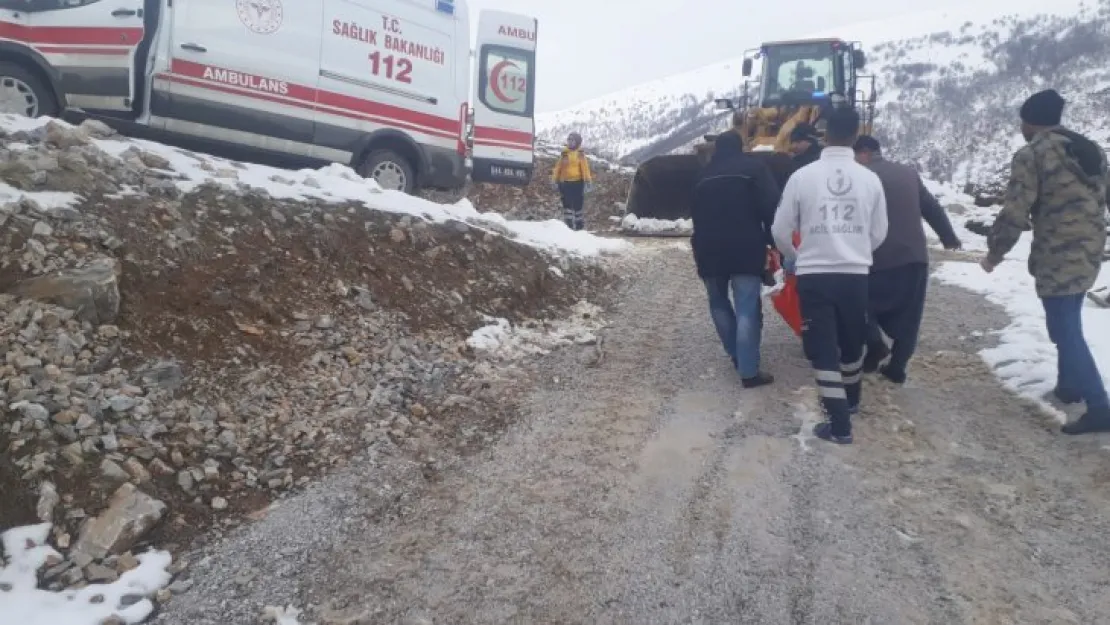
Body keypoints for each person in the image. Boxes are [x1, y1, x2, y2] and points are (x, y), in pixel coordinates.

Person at [980, 89, 1110, 435]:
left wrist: (995, 253)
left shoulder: (1032, 154)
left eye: (1023, 120)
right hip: (1090, 250)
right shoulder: (1090, 149)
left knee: (1066, 329)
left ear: (1030, 121)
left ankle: (1100, 407)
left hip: (1058, 252)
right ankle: (1069, 386)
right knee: (1064, 321)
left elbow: (1015, 211)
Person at [772, 107, 888, 444]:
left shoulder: (803, 177)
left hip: (815, 274)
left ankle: (839, 425)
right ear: (855, 136)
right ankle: (850, 403)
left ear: (824, 134)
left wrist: (796, 257)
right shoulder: (869, 179)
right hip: (855, 274)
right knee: (852, 343)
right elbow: (879, 232)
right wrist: (856, 251)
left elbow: (781, 230)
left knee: (822, 346)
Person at [853, 135, 962, 382]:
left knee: (860, 304)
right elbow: (931, 207)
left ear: (862, 153)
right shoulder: (907, 173)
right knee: (910, 317)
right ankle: (897, 368)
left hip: (875, 257)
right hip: (914, 258)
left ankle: (874, 343)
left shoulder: (859, 177)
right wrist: (948, 237)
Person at [691, 131, 781, 388]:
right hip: (745, 247)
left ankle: (736, 354)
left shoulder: (702, 176)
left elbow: (695, 215)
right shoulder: (755, 169)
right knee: (746, 308)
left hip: (708, 249)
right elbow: (772, 207)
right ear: (741, 147)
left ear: (716, 149)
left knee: (718, 303)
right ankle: (749, 371)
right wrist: (773, 243)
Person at [550, 132, 594, 231]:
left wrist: (588, 181)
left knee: (578, 204)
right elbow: (558, 168)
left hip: (578, 183)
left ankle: (579, 225)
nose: (569, 142)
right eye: (568, 140)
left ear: (577, 142)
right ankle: (568, 225)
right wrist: (554, 180)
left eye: (572, 140)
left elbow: (585, 168)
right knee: (567, 203)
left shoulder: (580, 154)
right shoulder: (564, 154)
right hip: (565, 183)